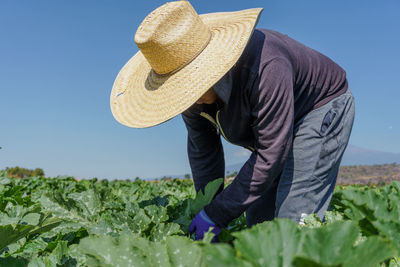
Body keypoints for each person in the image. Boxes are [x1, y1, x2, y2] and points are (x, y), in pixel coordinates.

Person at [110, 0, 355, 241]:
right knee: (259, 222)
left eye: (187, 86)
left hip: (319, 109)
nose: (189, 100)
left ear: (210, 72)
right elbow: (204, 153)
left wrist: (219, 213)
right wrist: (209, 208)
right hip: (274, 134)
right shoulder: (193, 101)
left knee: (294, 222)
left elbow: (270, 154)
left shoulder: (266, 68)